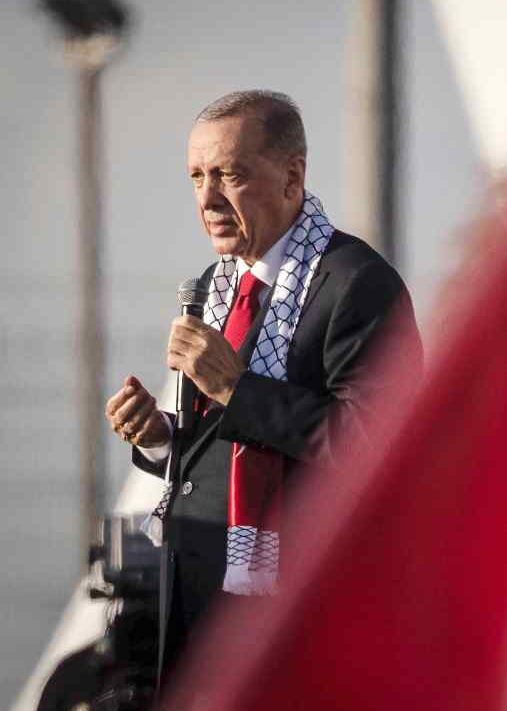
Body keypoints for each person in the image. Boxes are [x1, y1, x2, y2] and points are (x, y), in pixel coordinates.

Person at [101, 89, 419, 682]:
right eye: (196, 177)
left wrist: (235, 388)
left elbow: (380, 447)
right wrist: (160, 438)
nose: (207, 198)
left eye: (230, 175)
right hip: (196, 599)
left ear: (292, 177)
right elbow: (218, 452)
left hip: (296, 617)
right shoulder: (217, 284)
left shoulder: (356, 283)